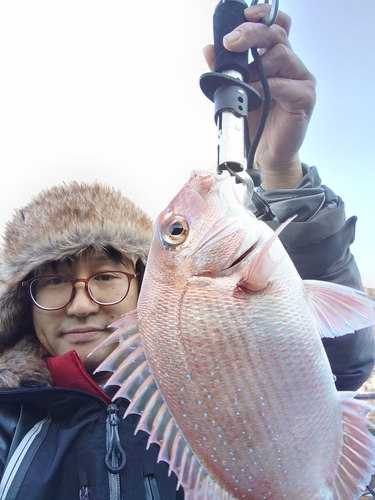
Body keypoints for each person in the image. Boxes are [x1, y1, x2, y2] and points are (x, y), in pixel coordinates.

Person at [0, 4, 373, 499]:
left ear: (146, 287)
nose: (83, 302)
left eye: (107, 276)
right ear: (23, 303)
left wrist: (279, 169)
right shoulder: (8, 426)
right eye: (53, 281)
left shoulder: (196, 360)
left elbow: (342, 359)